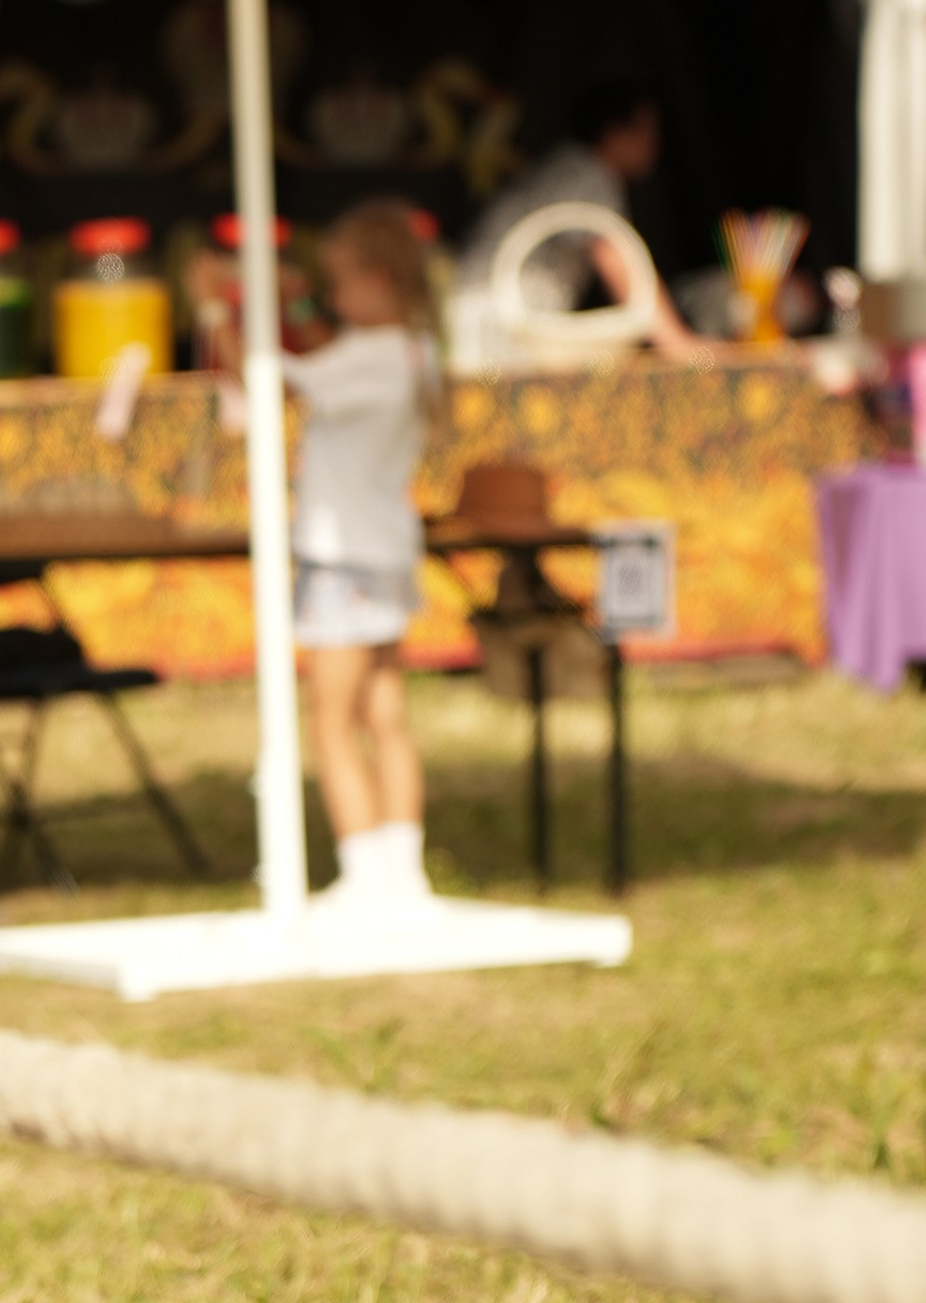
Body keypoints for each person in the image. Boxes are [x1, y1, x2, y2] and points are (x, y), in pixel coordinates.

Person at [286, 200, 445, 903]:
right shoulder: (413, 350)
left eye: (339, 285)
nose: (333, 299)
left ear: (378, 281)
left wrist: (217, 312)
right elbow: (325, 359)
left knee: (330, 721)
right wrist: (295, 305)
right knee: (384, 715)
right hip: (383, 551)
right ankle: (400, 870)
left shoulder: (372, 357)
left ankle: (363, 871)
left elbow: (284, 376)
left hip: (342, 553)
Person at [457, 68, 701, 360]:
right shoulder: (589, 174)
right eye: (648, 130)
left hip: (483, 318)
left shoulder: (572, 166)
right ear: (616, 133)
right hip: (494, 325)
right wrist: (679, 344)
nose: (656, 144)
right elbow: (614, 256)